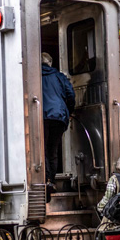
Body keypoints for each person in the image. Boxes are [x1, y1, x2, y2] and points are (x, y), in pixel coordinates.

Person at [41, 52, 75, 192]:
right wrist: (69, 111)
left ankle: (45, 179)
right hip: (59, 116)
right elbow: (70, 94)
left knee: (42, 150)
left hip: (42, 115)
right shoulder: (59, 76)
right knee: (53, 149)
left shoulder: (34, 76)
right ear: (50, 63)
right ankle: (52, 181)